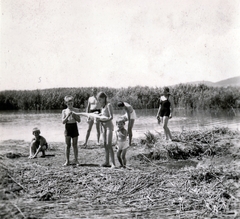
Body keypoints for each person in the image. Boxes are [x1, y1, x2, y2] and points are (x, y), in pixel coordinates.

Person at [97, 92, 115, 168]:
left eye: (100, 99)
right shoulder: (102, 106)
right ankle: (107, 162)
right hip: (103, 127)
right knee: (105, 145)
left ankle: (113, 163)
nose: (99, 101)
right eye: (98, 100)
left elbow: (111, 117)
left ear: (104, 98)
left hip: (108, 126)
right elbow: (103, 115)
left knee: (109, 144)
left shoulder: (108, 105)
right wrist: (97, 115)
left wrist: (103, 120)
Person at [62, 95, 81, 166]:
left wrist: (74, 116)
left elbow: (79, 120)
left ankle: (76, 160)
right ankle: (67, 161)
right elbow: (63, 122)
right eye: (68, 104)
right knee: (67, 145)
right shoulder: (64, 111)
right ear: (66, 103)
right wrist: (67, 116)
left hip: (74, 127)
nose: (70, 105)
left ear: (73, 103)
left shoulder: (76, 110)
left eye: (71, 103)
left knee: (75, 145)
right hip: (67, 127)